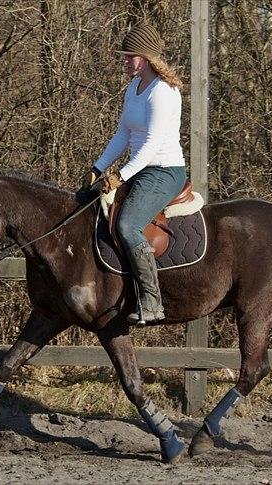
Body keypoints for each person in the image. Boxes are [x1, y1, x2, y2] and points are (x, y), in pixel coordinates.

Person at [79, 23, 187, 324]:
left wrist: (121, 175)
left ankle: (152, 301)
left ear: (147, 57)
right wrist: (98, 168)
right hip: (140, 168)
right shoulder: (134, 87)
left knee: (127, 226)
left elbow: (152, 144)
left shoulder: (163, 92)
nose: (125, 61)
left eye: (130, 56)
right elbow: (123, 135)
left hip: (164, 171)